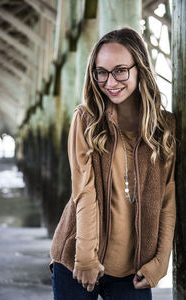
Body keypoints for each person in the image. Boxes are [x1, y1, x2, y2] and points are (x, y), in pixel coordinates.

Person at [49, 27, 176, 300]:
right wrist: (85, 258)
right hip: (76, 262)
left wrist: (160, 262)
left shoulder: (164, 127)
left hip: (134, 273)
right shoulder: (86, 119)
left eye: (120, 70)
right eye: (101, 72)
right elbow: (84, 192)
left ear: (139, 68)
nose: (110, 81)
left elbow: (167, 198)